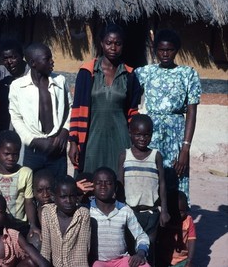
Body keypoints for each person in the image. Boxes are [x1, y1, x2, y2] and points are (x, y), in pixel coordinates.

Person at [135, 29, 201, 201]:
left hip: (176, 135)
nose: (165, 54)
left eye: (170, 50)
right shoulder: (145, 72)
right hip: (151, 134)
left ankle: (178, 225)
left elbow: (192, 111)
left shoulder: (188, 74)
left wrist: (185, 148)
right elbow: (128, 95)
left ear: (176, 50)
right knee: (151, 178)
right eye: (161, 50)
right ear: (155, 50)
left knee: (176, 178)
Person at [68, 24, 141, 176]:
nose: (113, 47)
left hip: (120, 138)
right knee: (88, 181)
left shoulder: (129, 75)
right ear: (101, 43)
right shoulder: (87, 72)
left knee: (118, 180)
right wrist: (73, 141)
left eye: (117, 43)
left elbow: (132, 112)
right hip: (92, 138)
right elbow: (77, 109)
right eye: (109, 43)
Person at [9, 43, 72, 179]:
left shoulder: (60, 82)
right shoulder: (18, 86)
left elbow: (70, 109)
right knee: (31, 188)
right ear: (33, 63)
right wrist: (33, 141)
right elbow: (16, 117)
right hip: (33, 149)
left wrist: (64, 132)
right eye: (47, 59)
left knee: (58, 188)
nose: (52, 61)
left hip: (57, 146)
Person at [118, 114, 170, 265]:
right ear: (130, 134)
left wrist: (164, 210)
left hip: (152, 212)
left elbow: (162, 184)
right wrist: (119, 210)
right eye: (138, 134)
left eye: (146, 135)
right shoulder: (124, 156)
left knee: (149, 248)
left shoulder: (156, 156)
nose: (142, 138)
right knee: (131, 249)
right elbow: (120, 184)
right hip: (130, 212)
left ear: (152, 135)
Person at [90, 167, 150, 267]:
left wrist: (141, 253)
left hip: (122, 261)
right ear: (93, 186)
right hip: (99, 262)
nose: (103, 186)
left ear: (115, 187)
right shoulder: (87, 210)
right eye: (98, 183)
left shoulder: (124, 210)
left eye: (108, 183)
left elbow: (141, 235)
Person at [0, 130, 40, 239]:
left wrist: (33, 225)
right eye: (7, 154)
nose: (11, 158)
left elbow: (29, 201)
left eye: (15, 154)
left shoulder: (25, 172)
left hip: (19, 225)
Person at [40, 175, 91, 267]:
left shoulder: (83, 214)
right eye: (63, 197)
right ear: (53, 197)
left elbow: (82, 252)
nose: (68, 201)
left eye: (72, 196)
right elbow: (46, 249)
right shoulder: (47, 213)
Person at [0, 41, 30, 132]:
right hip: (2, 122)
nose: (9, 62)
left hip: (25, 124)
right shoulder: (0, 71)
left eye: (13, 57)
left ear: (21, 56)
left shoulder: (31, 72)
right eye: (5, 58)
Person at [156, 191, 196, 267]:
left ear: (186, 209)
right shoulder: (165, 219)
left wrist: (189, 260)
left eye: (181, 212)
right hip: (165, 258)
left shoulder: (188, 220)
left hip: (182, 259)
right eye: (174, 212)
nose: (177, 215)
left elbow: (192, 240)